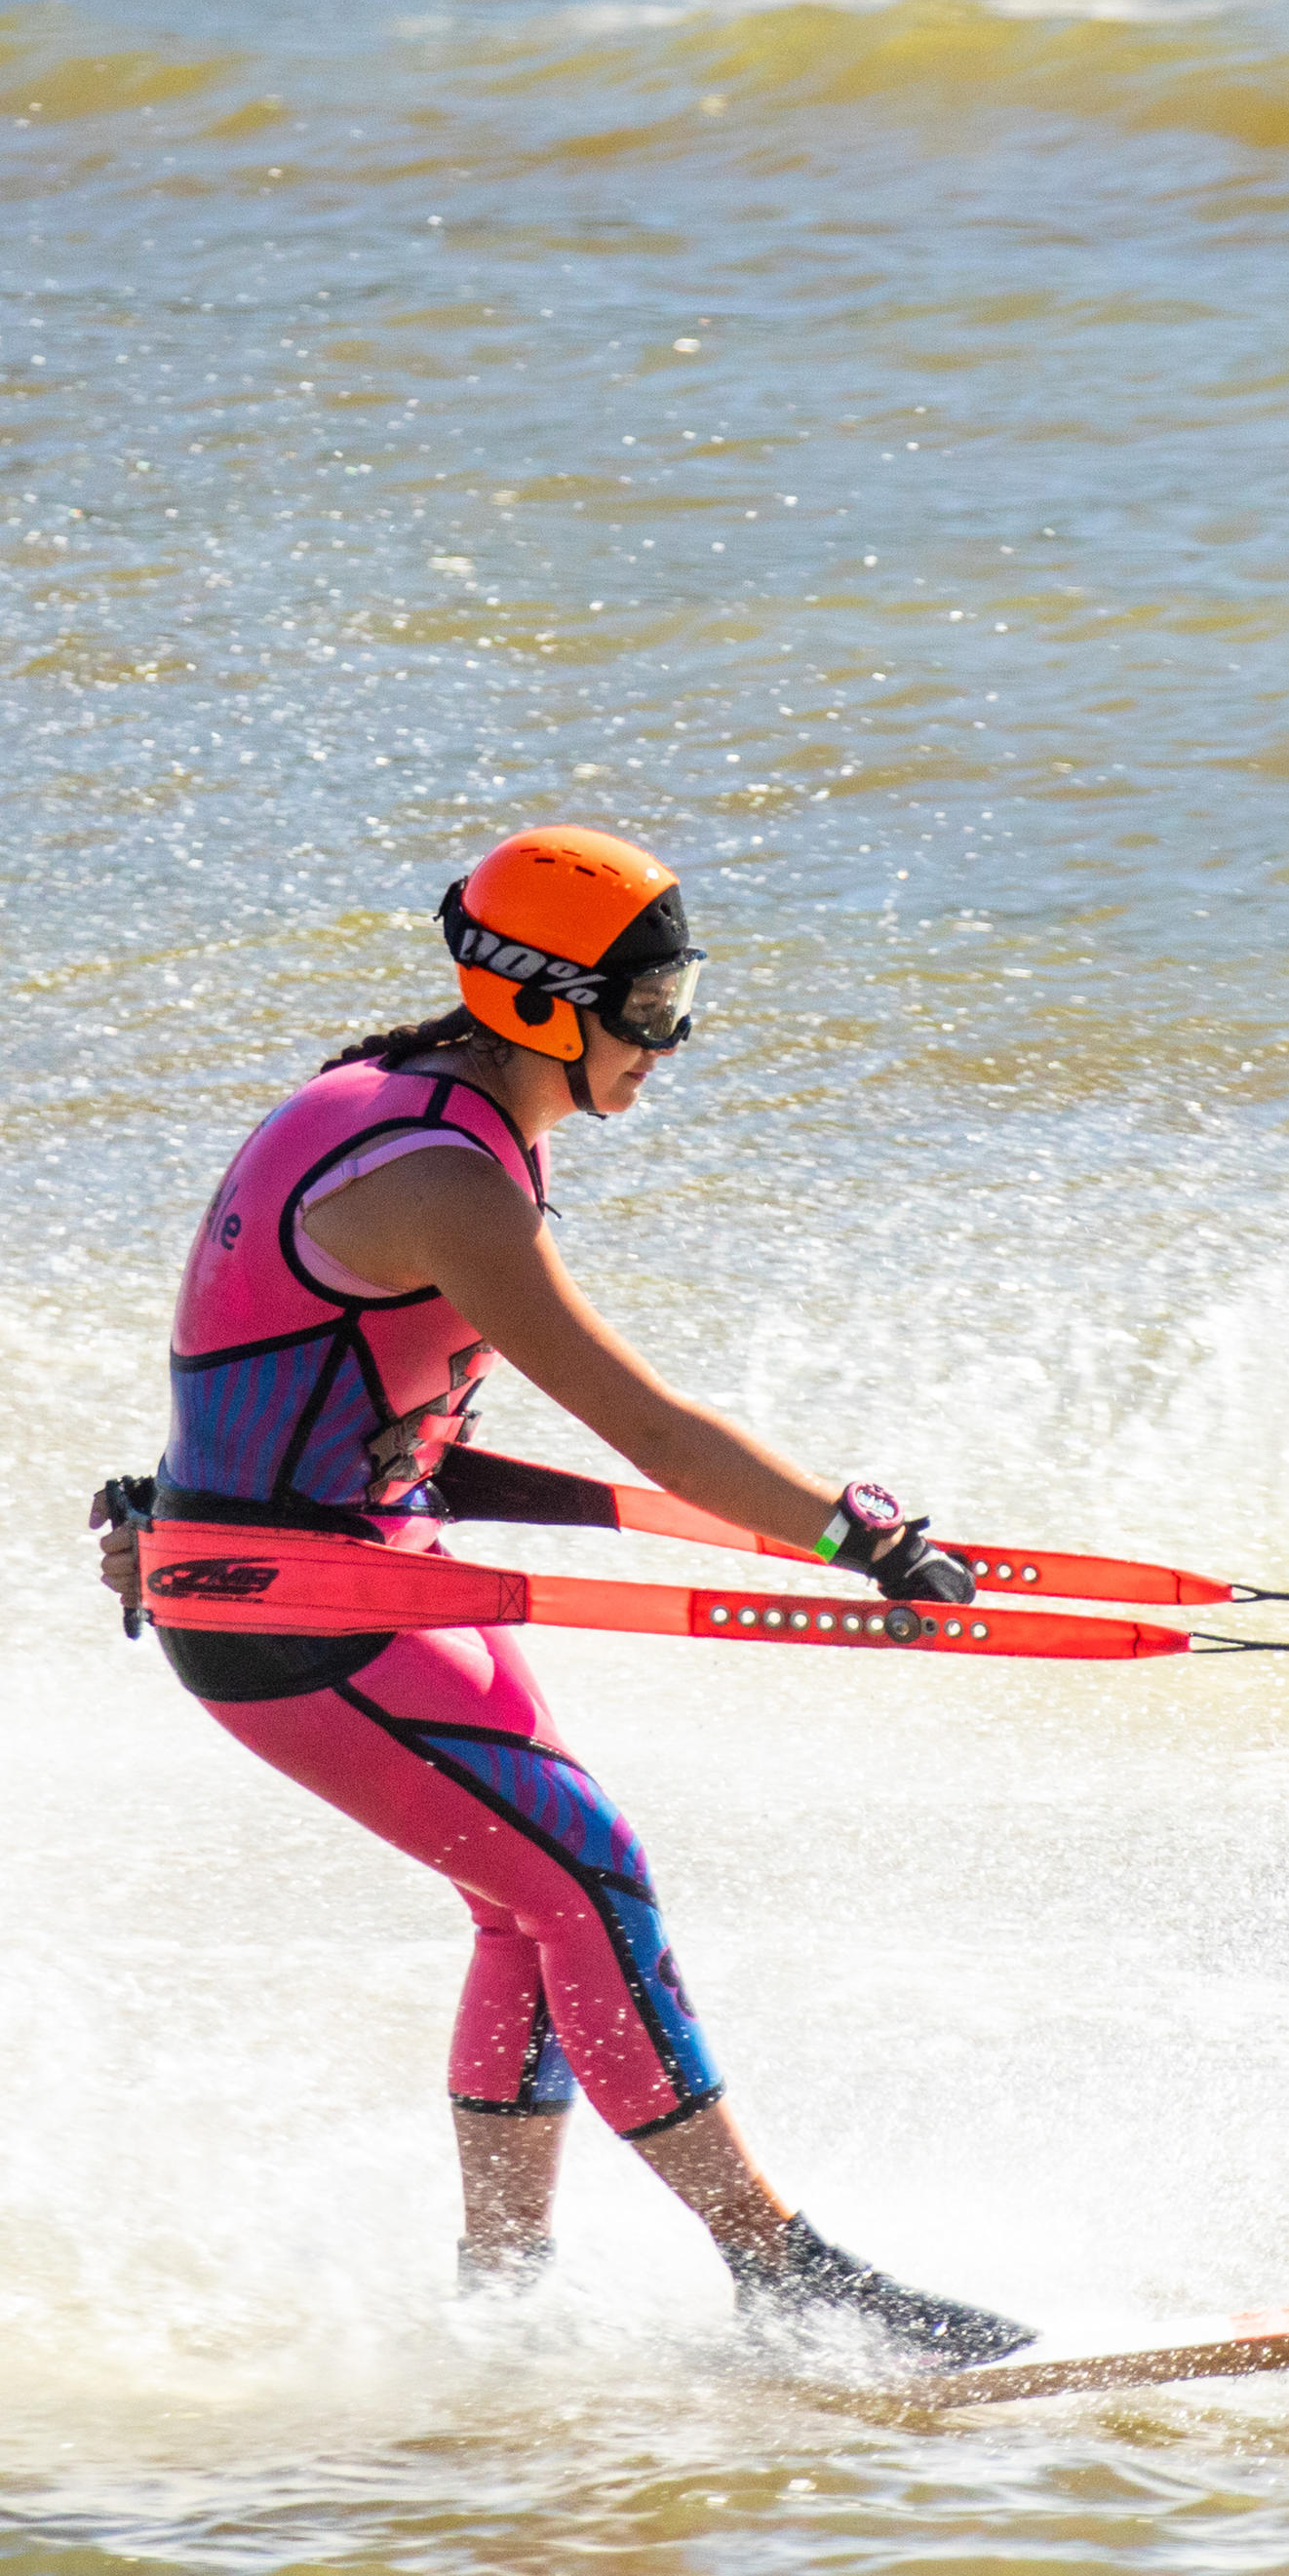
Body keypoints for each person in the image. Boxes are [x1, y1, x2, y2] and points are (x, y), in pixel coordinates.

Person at [106, 823, 1028, 2364]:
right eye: (647, 1009)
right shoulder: (445, 1180)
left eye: (681, 999)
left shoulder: (410, 1101)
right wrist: (855, 1532)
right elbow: (649, 1427)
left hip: (358, 1562)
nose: (670, 1042)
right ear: (539, 1002)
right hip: (296, 1605)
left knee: (533, 1901)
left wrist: (183, 1495)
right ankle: (780, 2270)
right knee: (590, 1881)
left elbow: (341, 1399)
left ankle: (503, 2303)